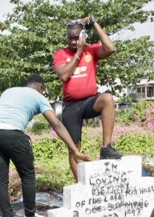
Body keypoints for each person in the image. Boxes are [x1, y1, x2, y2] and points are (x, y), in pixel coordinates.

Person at [0, 74, 89, 217]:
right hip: (14, 134)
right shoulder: (38, 97)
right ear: (41, 88)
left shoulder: (8, 91)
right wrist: (74, 150)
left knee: (1, 180)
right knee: (27, 175)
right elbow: (56, 124)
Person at [53, 15, 121, 181]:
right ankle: (80, 184)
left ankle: (106, 148)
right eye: (70, 38)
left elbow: (111, 48)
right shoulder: (61, 54)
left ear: (83, 36)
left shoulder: (92, 50)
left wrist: (95, 24)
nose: (73, 41)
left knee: (107, 99)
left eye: (77, 38)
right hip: (71, 106)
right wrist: (78, 52)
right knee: (74, 148)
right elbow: (64, 75)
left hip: (90, 101)